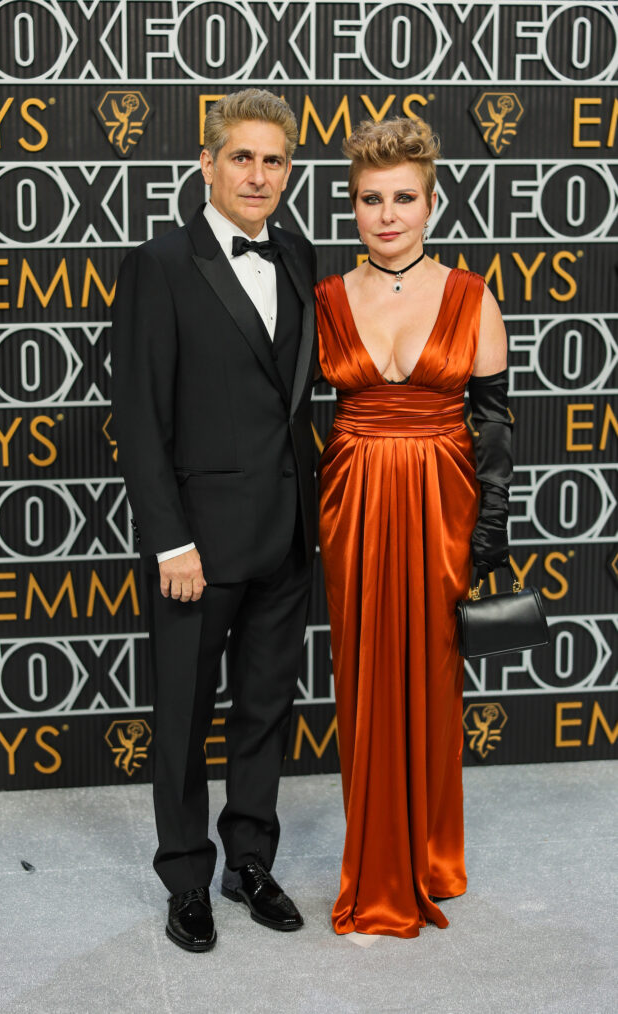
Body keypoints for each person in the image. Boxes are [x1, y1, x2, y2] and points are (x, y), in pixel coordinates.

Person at [111, 89, 318, 952]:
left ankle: (250, 862)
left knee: (266, 708)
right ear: (207, 161)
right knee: (186, 716)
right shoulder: (161, 261)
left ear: (288, 171)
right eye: (243, 157)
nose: (258, 174)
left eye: (274, 160)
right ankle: (186, 876)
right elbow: (138, 414)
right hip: (196, 544)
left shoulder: (301, 252)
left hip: (286, 531)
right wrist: (170, 539)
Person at [316, 117, 512, 938]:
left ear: (433, 203)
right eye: (371, 199)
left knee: (434, 680)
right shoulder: (327, 298)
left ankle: (430, 853)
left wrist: (490, 529)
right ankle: (375, 863)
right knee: (361, 680)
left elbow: (494, 423)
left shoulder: (472, 295)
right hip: (353, 500)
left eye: (404, 198)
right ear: (353, 206)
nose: (387, 214)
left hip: (443, 503)